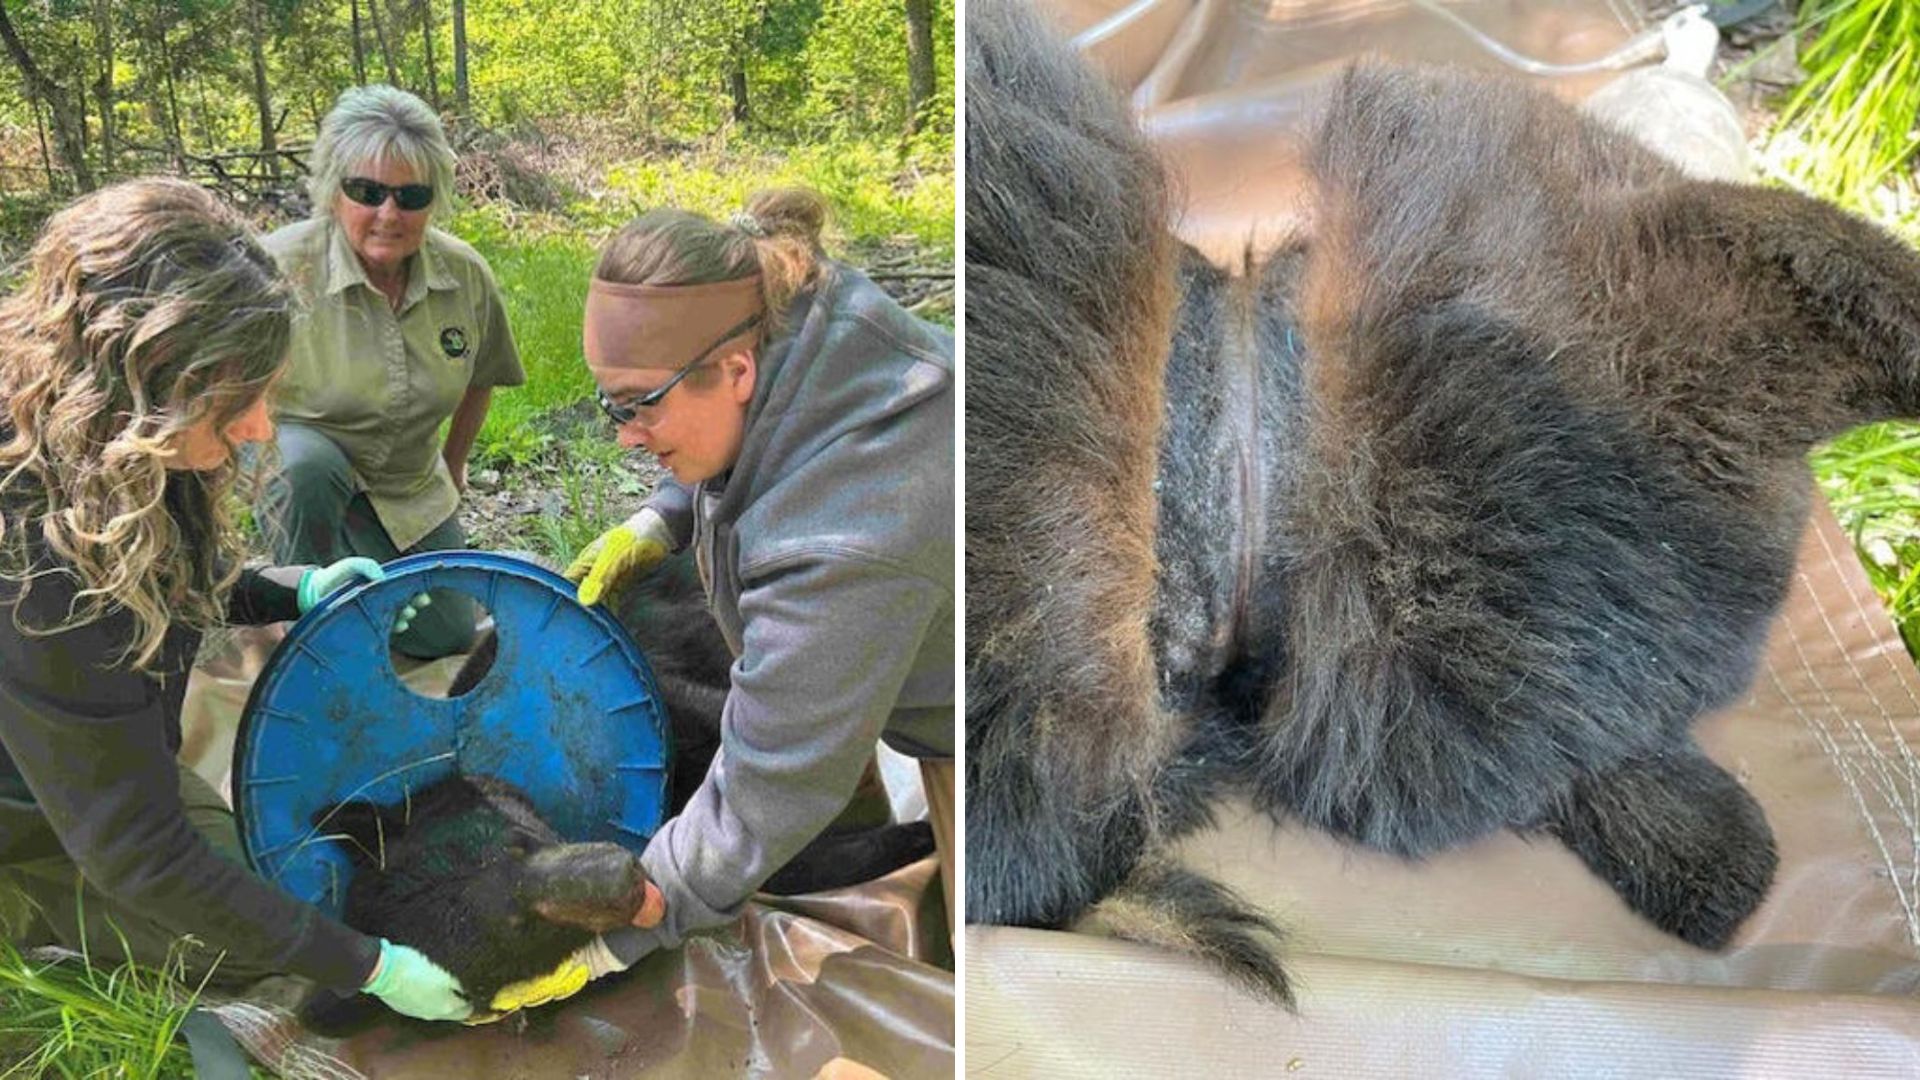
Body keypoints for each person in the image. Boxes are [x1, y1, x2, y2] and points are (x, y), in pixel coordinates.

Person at [0, 178, 469, 1022]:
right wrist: (368, 967)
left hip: (78, 743)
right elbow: (140, 854)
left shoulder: (111, 436)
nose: (259, 428)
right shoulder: (39, 563)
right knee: (241, 937)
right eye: (236, 402)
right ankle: (19, 901)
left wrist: (297, 587)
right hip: (26, 795)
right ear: (144, 382)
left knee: (259, 887)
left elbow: (177, 575)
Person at [495, 188, 954, 1010]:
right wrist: (661, 517)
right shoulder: (798, 322)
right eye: (610, 405)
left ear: (736, 370)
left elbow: (762, 796)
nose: (624, 434)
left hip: (1015, 715)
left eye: (641, 405)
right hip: (900, 624)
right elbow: (767, 438)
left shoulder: (843, 543)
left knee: (999, 967)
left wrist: (616, 935)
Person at [257, 85, 524, 660]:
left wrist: (454, 465)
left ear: (435, 199)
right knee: (305, 466)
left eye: (411, 196)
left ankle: (349, 586)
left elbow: (484, 375)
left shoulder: (465, 275)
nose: (389, 214)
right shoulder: (276, 268)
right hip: (303, 474)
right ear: (334, 191)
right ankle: (296, 620)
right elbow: (218, 386)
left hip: (406, 481)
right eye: (367, 191)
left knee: (447, 636)